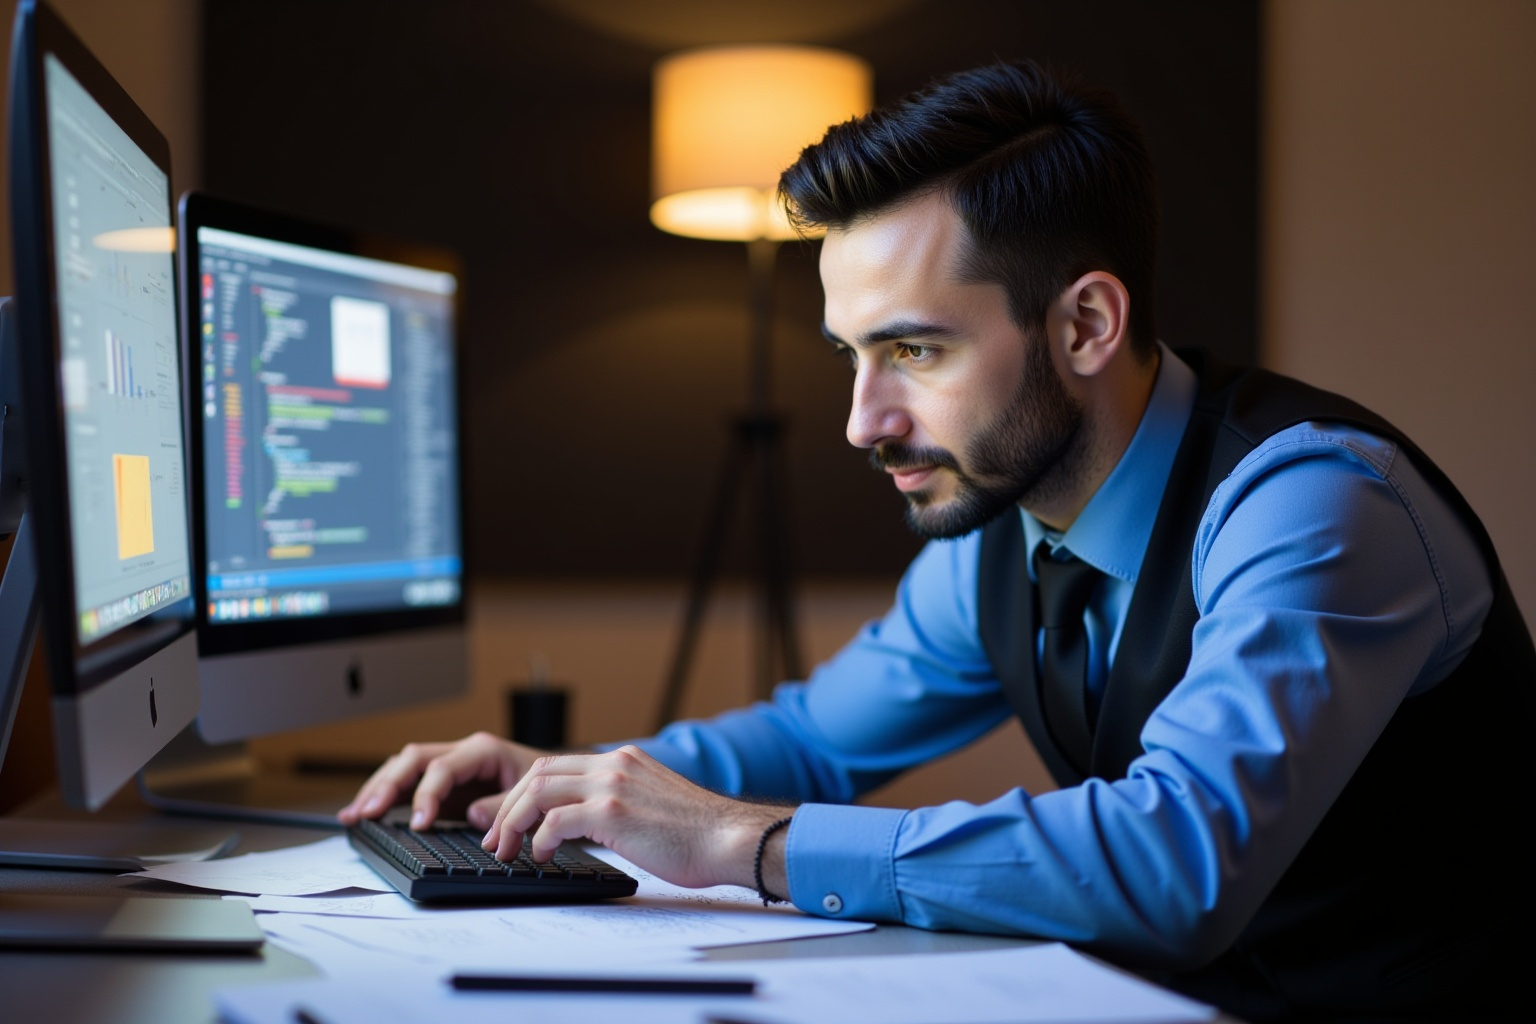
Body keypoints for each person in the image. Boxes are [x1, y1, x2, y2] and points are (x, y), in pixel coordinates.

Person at [340, 60, 1533, 1020]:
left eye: (913, 350)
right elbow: (813, 736)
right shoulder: (1002, 523)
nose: (863, 422)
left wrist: (740, 843)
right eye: (849, 356)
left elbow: (1176, 862)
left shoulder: (1318, 506)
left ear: (1086, 323)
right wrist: (582, 785)